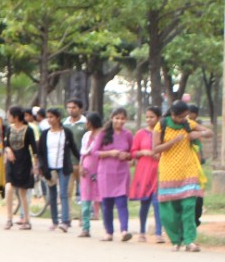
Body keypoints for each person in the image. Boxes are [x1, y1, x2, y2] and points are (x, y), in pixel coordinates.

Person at [153, 101, 213, 252]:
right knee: (170, 210)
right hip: (168, 172)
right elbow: (155, 149)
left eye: (185, 116)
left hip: (188, 171)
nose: (184, 119)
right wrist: (173, 141)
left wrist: (198, 134)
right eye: (181, 117)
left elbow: (209, 132)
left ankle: (189, 240)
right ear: (173, 114)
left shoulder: (188, 123)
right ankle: (176, 239)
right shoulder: (161, 125)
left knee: (189, 206)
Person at [90, 108, 133, 242]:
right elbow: (94, 152)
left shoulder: (128, 134)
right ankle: (108, 232)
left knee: (121, 202)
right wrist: (110, 153)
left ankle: (124, 230)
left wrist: (127, 156)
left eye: (122, 119)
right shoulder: (103, 134)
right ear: (112, 118)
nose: (120, 121)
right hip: (105, 173)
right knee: (107, 203)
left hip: (121, 172)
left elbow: (132, 152)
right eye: (117, 118)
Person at [37, 108, 77, 231]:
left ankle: (65, 221)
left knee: (64, 193)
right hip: (49, 168)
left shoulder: (66, 132)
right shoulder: (44, 134)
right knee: (52, 194)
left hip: (63, 166)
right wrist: (41, 167)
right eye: (48, 117)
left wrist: (81, 160)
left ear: (58, 118)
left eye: (52, 117)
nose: (49, 120)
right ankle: (54, 220)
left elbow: (74, 148)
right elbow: (40, 153)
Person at [129, 106, 163, 243]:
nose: (149, 119)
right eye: (147, 117)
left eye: (152, 117)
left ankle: (159, 233)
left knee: (157, 203)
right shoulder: (140, 134)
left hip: (159, 170)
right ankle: (142, 232)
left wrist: (159, 154)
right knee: (145, 203)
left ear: (159, 118)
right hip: (144, 170)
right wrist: (144, 152)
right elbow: (132, 152)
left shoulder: (163, 133)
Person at [3, 106, 38, 230]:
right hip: (11, 162)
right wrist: (8, 150)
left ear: (16, 117)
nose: (8, 118)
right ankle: (9, 218)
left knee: (23, 192)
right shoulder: (9, 129)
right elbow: (5, 145)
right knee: (8, 188)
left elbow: (34, 149)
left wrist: (36, 166)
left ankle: (27, 219)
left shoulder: (28, 130)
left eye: (9, 115)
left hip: (24, 162)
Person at [77, 112, 103, 238]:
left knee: (103, 198)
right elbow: (83, 153)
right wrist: (81, 166)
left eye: (87, 121)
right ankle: (85, 228)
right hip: (86, 170)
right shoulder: (86, 136)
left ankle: (109, 229)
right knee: (86, 199)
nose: (86, 124)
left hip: (100, 169)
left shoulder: (103, 136)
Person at [64, 99, 88, 221]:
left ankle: (83, 216)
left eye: (74, 107)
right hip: (68, 163)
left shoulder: (85, 124)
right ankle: (67, 215)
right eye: (69, 107)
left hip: (82, 163)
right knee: (67, 191)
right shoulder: (64, 124)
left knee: (84, 191)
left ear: (80, 109)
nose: (71, 110)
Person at [187, 104, 207, 226]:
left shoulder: (197, 135)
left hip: (196, 171)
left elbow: (199, 153)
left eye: (193, 119)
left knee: (198, 199)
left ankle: (195, 220)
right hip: (183, 171)